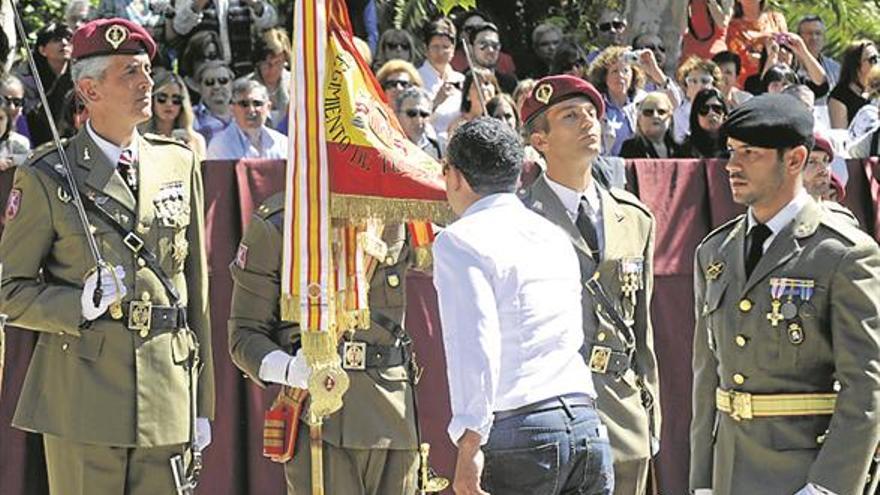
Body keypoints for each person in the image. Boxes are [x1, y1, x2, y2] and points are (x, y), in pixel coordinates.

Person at [0, 18, 214, 494]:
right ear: (90, 90)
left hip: (168, 391)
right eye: (130, 73)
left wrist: (203, 403)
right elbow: (9, 291)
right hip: (83, 399)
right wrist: (76, 304)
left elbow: (195, 290)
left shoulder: (177, 162)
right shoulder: (46, 176)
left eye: (147, 70)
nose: (147, 83)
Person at [690, 93, 880, 495]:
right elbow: (707, 375)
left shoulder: (843, 253)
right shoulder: (715, 251)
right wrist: (702, 481)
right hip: (729, 471)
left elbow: (866, 385)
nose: (732, 166)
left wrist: (827, 486)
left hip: (804, 473)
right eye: (731, 151)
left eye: (750, 153)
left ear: (794, 159)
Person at [434, 116, 613, 495]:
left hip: (521, 429)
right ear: (518, 176)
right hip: (584, 420)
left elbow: (474, 346)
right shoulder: (552, 234)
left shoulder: (459, 240)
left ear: (454, 176)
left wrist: (470, 443)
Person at [228, 189, 425, 494]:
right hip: (323, 416)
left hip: (395, 415)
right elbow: (244, 335)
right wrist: (294, 370)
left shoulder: (397, 214)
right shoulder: (280, 223)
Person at [519, 75, 661, 495]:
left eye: (591, 114)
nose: (588, 123)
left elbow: (643, 330)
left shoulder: (634, 216)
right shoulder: (520, 216)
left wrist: (649, 413)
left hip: (623, 409)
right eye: (570, 116)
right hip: (549, 410)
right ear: (540, 141)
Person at [172, 0, 278, 76]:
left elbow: (270, 21)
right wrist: (198, 4)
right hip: (202, 77)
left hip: (242, 74)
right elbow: (180, 27)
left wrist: (254, 4)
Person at [206, 78, 286, 160]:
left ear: (268, 107)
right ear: (232, 109)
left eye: (257, 103)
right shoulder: (219, 145)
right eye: (244, 104)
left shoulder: (282, 143)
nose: (251, 110)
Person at [587, 46, 646, 156]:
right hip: (607, 166)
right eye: (614, 71)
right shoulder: (595, 106)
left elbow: (673, 103)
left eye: (625, 71)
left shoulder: (643, 101)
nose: (620, 76)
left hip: (638, 165)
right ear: (604, 76)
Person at [140, 69, 207, 159]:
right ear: (152, 101)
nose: (169, 104)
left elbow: (200, 171)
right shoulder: (139, 137)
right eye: (162, 98)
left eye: (176, 100)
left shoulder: (195, 140)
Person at [417, 17, 464, 142]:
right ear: (425, 49)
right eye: (435, 46)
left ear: (453, 49)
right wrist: (436, 102)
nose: (441, 52)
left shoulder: (461, 80)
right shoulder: (416, 78)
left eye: (445, 47)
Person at [246, 28, 291, 130]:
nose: (273, 69)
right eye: (267, 63)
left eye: (278, 63)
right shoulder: (246, 87)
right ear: (258, 62)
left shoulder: (296, 84)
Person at [828, 40, 878, 129]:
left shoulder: (877, 89)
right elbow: (840, 136)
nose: (877, 63)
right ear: (856, 65)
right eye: (872, 59)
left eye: (878, 58)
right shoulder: (840, 96)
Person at [672, 56, 721, 144]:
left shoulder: (721, 111)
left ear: (714, 86)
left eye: (705, 81)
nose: (699, 86)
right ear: (686, 87)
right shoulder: (677, 114)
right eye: (693, 81)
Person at [620, 91, 681, 159]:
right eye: (648, 112)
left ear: (670, 118)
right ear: (639, 119)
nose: (655, 116)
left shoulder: (679, 150)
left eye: (661, 112)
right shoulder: (630, 148)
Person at [795, 14, 840, 104]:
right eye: (809, 33)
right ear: (799, 37)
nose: (814, 38)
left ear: (824, 38)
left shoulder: (835, 69)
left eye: (818, 33)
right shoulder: (790, 65)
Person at [192, 60, 234, 143]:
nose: (216, 86)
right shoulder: (190, 117)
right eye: (209, 82)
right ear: (199, 88)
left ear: (231, 84)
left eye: (223, 81)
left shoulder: (245, 110)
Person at [395, 86, 442, 159]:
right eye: (411, 113)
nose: (418, 120)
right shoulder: (387, 145)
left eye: (424, 114)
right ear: (397, 115)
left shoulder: (439, 149)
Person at [681, 87, 729, 159]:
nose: (711, 113)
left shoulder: (735, 146)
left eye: (717, 108)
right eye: (704, 109)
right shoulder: (685, 151)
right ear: (695, 116)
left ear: (724, 115)